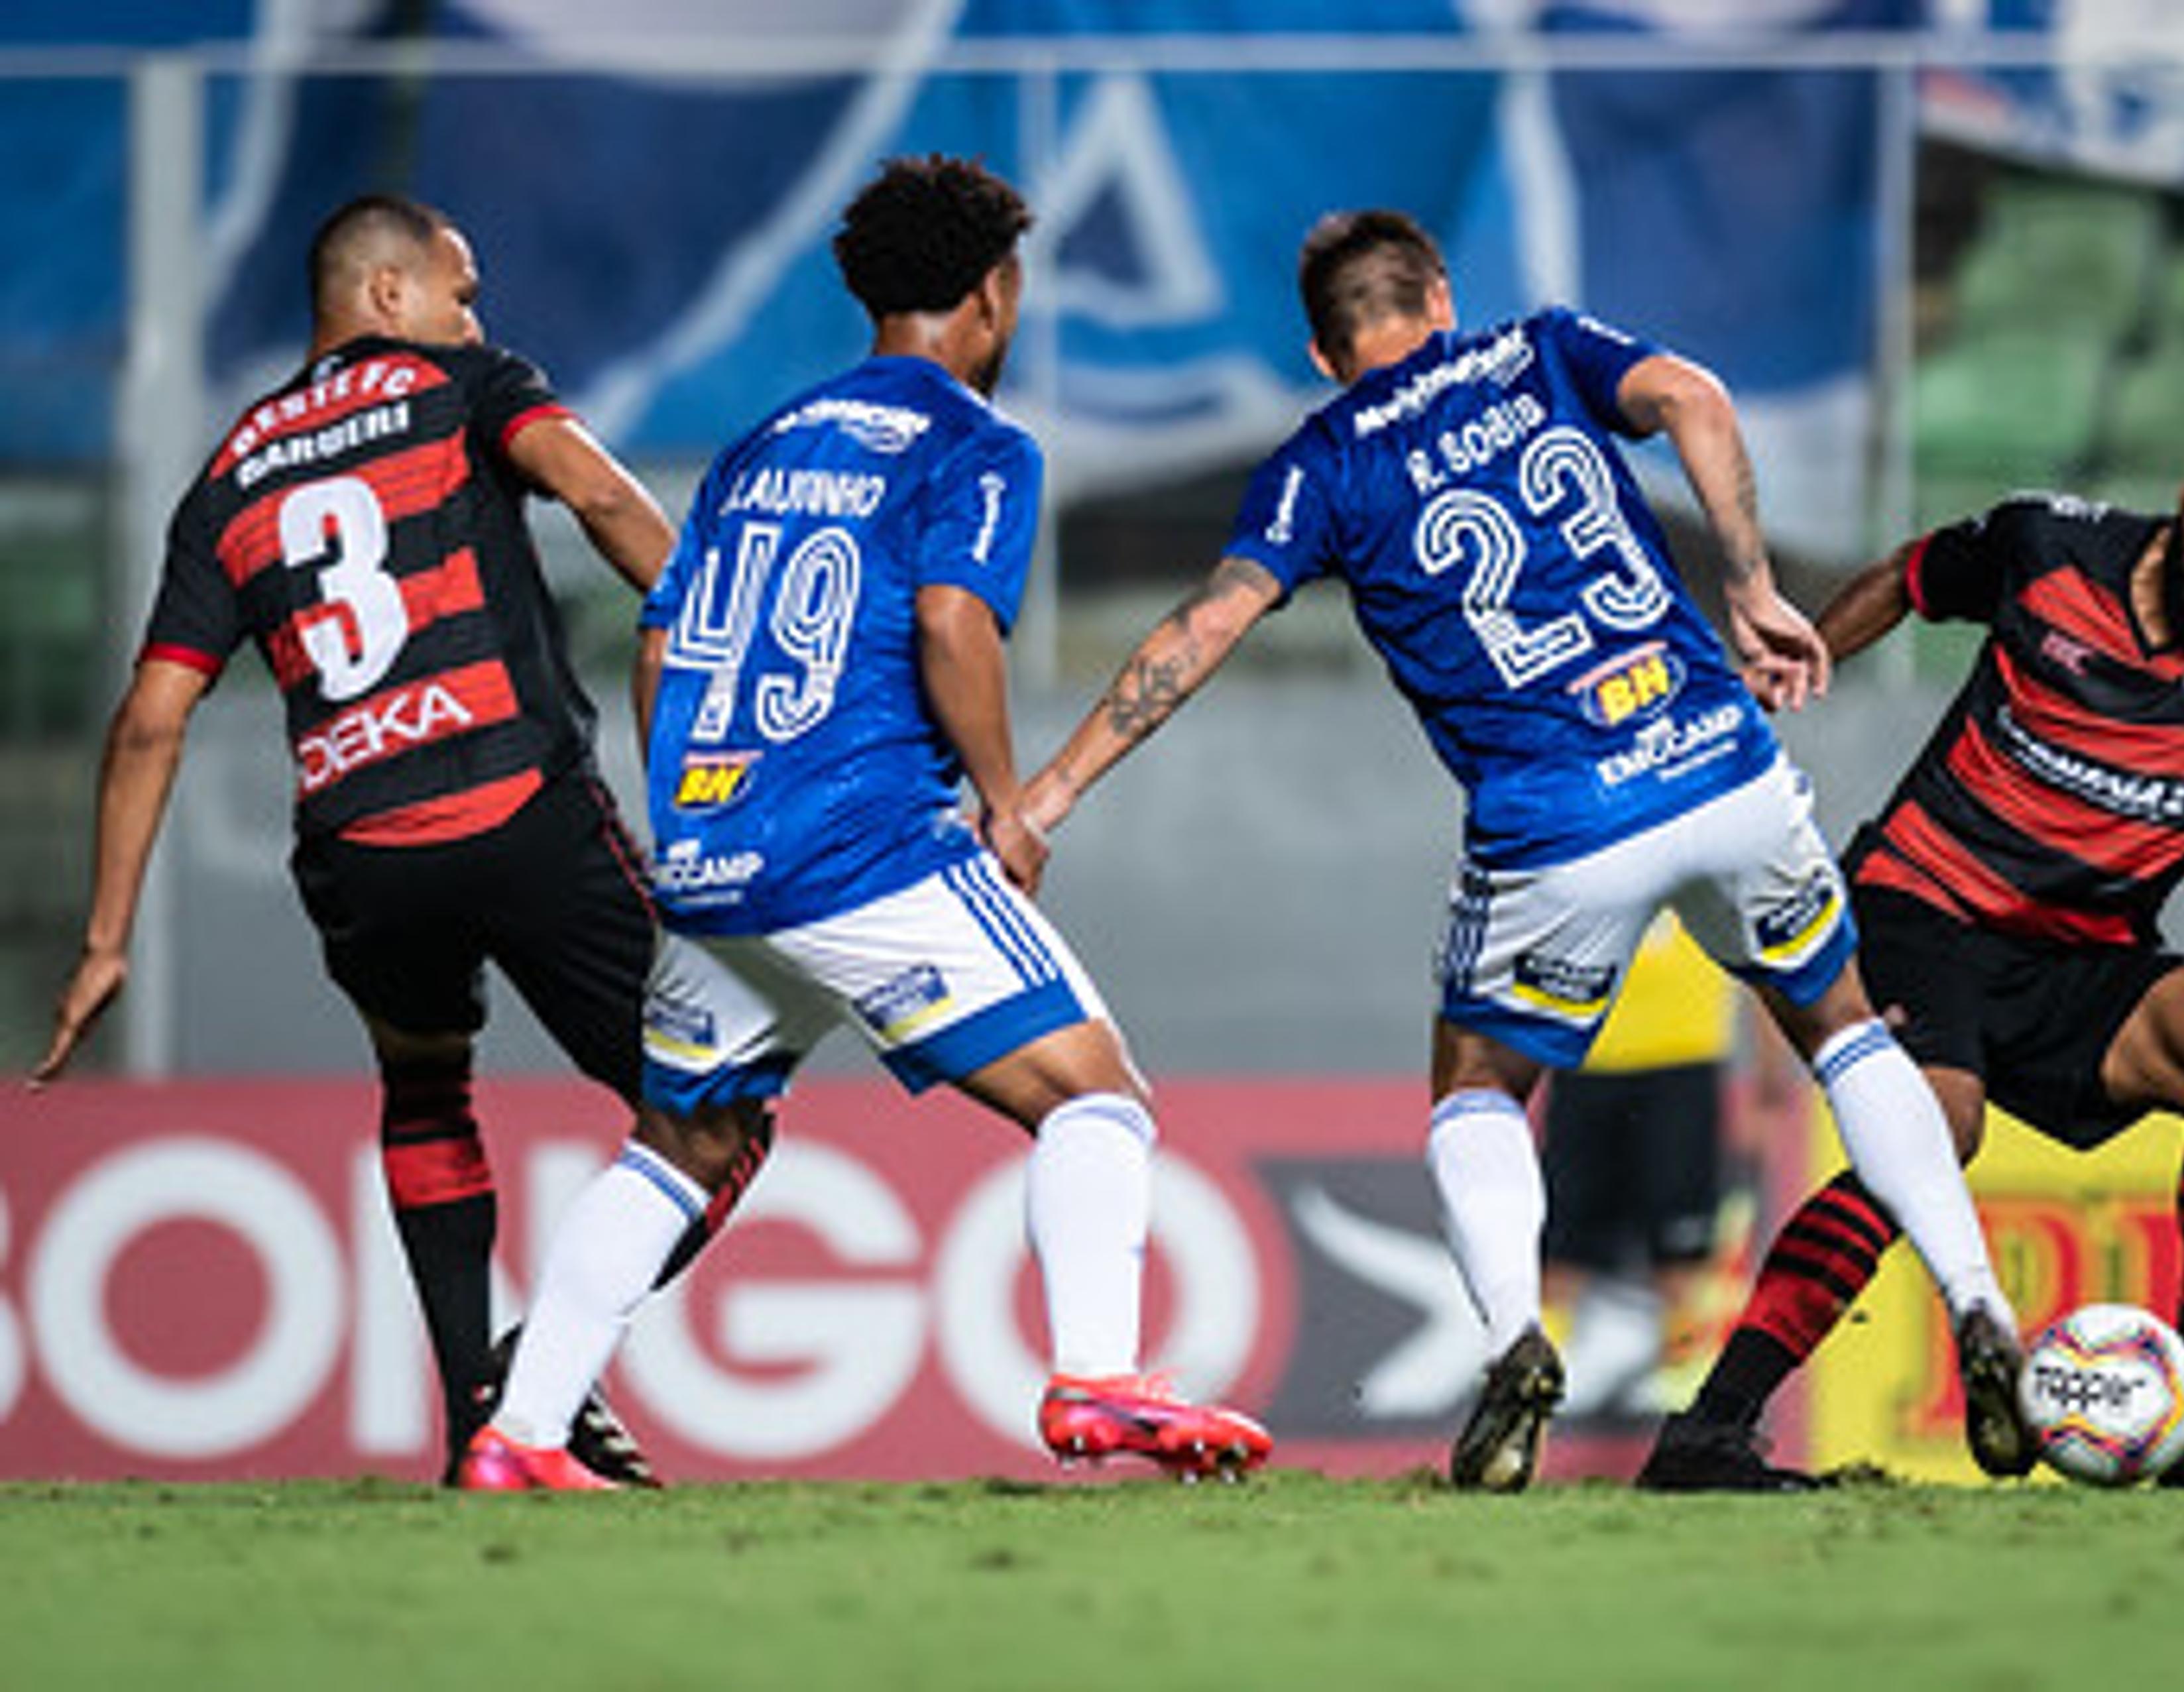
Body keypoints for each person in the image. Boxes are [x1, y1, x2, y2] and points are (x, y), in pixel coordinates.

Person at [1013, 208, 2028, 1495]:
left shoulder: (1321, 461)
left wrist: (1050, 791)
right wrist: (1757, 585)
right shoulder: (1542, 352)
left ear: (1326, 356)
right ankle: (1978, 1298)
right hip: (1717, 758)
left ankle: (1512, 1341)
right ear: (1440, 298)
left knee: (1478, 1088)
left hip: (1558, 822)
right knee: (1844, 1032)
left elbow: (1206, 624)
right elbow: (1695, 396)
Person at [457, 155, 1271, 1491]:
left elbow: (660, 648)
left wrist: (702, 818)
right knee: (1095, 1100)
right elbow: (952, 621)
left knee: (680, 1145)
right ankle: (1098, 1379)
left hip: (715, 852)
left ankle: (524, 1432)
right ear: (995, 295)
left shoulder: (760, 443)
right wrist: (1009, 803)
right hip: (862, 843)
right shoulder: (976, 443)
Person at [1637, 382, 2184, 1493]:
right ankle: (1709, 1432)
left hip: (2079, 956)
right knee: (1936, 1124)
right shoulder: (2050, 550)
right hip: (1919, 907)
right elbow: (1910, 577)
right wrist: (1781, 675)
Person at [28, 194, 751, 1484]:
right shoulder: (469, 386)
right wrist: (728, 630)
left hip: (362, 846)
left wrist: (102, 938)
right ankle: (532, 1383)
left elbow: (151, 718)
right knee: (721, 1112)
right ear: (387, 297)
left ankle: (475, 1421)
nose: (477, 316)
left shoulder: (227, 478)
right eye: (461, 292)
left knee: (424, 1089)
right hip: (517, 804)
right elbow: (593, 487)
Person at [1537, 909, 1759, 1414]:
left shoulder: (1707, 854)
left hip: (1684, 1059)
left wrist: (1766, 1083)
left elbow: (1760, 960)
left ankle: (1685, 1393)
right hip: (1587, 1060)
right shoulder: (1586, 847)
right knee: (1562, 1245)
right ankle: (1535, 1378)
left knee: (1681, 1245)